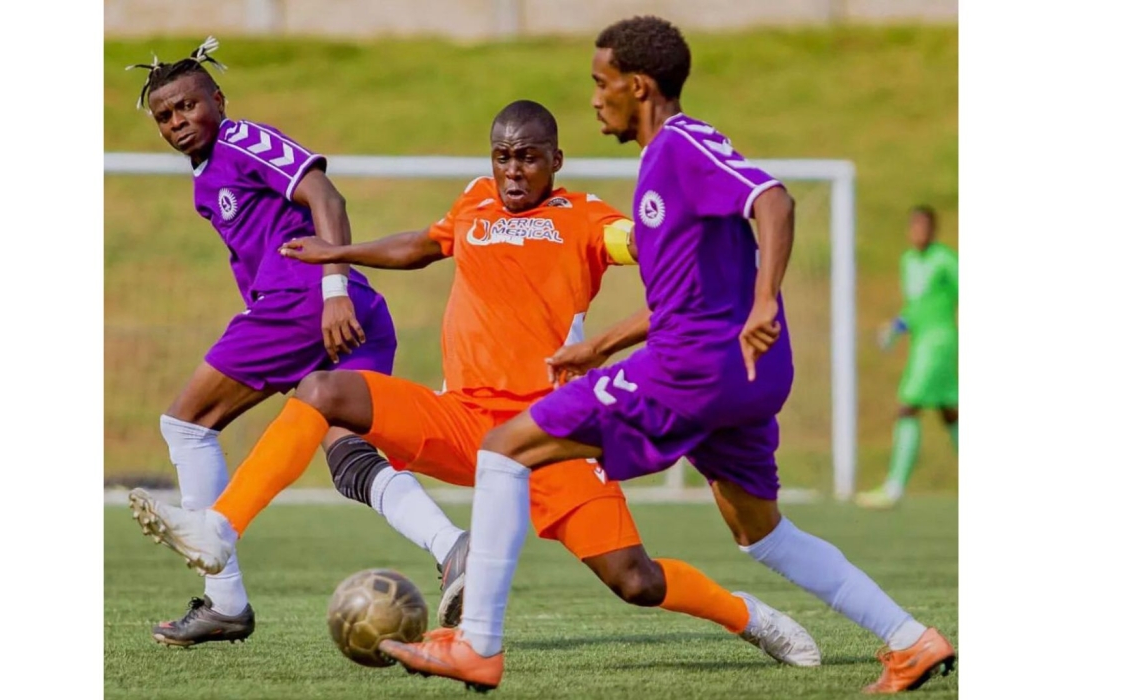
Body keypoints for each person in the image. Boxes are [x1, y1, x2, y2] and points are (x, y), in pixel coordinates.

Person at [128, 99, 821, 667]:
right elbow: (423, 247)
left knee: (635, 581)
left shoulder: (586, 217)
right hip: (462, 420)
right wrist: (338, 254)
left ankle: (750, 617)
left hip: (547, 434)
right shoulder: (475, 204)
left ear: (555, 160)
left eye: (527, 156)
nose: (513, 169)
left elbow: (642, 248)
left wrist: (696, 241)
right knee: (325, 393)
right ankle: (220, 530)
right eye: (502, 155)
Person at [378, 17, 957, 695]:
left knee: (505, 447)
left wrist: (767, 299)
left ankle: (478, 645)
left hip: (693, 367)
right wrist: (599, 344)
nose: (594, 98)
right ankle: (911, 640)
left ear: (639, 85)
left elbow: (773, 199)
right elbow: (689, 292)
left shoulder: (681, 145)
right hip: (745, 373)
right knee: (760, 533)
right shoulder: (663, 164)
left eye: (601, 83)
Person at [124, 37, 405, 646]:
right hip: (295, 306)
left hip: (305, 302)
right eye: (164, 117)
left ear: (217, 99)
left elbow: (326, 196)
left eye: (187, 106)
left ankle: (226, 599)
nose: (177, 122)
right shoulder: (206, 179)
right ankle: (454, 548)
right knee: (350, 457)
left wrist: (333, 290)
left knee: (187, 425)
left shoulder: (243, 139)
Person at [857, 206, 959, 509]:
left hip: (939, 343)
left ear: (933, 230)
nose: (919, 232)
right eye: (914, 226)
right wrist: (897, 327)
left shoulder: (944, 260)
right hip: (921, 343)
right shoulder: (908, 261)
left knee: (908, 407)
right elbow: (916, 307)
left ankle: (894, 487)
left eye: (924, 226)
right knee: (949, 412)